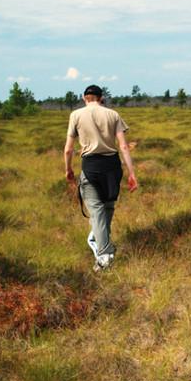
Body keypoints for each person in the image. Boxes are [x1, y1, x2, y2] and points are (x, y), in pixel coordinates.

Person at [63, 85, 138, 271]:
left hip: (90, 167)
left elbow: (68, 149)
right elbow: (124, 147)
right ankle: (99, 239)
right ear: (101, 97)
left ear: (84, 98)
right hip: (112, 167)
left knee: (97, 211)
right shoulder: (113, 114)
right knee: (107, 207)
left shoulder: (76, 115)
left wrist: (68, 169)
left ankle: (104, 256)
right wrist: (132, 173)